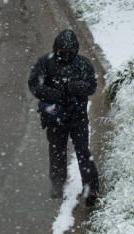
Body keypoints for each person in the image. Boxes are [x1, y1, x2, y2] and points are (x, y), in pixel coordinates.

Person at [28, 29, 100, 206]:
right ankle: (57, 184)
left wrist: (75, 88)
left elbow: (92, 87)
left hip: (78, 118)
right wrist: (55, 95)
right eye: (63, 51)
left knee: (83, 152)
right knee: (57, 152)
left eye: (70, 51)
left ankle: (91, 191)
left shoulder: (83, 64)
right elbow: (34, 84)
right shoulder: (45, 63)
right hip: (55, 119)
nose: (66, 54)